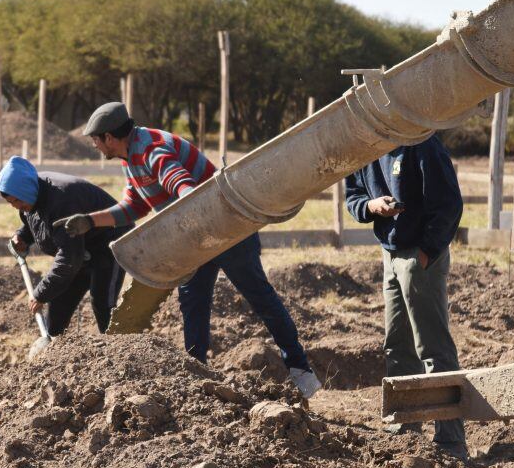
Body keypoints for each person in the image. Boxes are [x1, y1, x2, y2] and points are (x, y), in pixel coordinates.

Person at [56, 102, 322, 399]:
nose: (93, 144)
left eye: (95, 138)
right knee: (193, 305)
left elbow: (181, 184)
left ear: (109, 137)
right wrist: (90, 221)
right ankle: (200, 380)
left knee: (260, 298)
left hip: (227, 229)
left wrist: (187, 206)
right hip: (194, 238)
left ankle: (301, 370)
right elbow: (135, 206)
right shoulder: (130, 157)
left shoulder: (152, 149)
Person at [344, 135, 467, 459]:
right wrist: (372, 206)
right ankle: (404, 428)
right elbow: (353, 196)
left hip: (419, 255)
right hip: (390, 253)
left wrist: (426, 252)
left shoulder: (422, 143)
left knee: (432, 346)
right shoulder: (365, 146)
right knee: (397, 343)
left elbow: (450, 204)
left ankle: (450, 441)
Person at [0, 156, 128, 336]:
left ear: (26, 190)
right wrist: (23, 236)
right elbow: (36, 219)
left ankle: (120, 351)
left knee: (102, 303)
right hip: (79, 246)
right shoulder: (31, 194)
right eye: (11, 203)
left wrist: (40, 293)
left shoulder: (62, 200)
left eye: (17, 202)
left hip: (110, 242)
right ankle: (54, 351)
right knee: (59, 304)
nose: (16, 207)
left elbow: (68, 258)